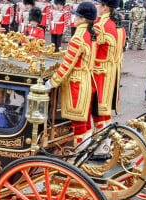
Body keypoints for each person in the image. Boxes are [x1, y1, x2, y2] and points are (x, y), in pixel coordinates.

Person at [45, 1, 97, 149]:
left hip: (77, 85)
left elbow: (67, 64)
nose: (74, 18)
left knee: (79, 125)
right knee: (85, 123)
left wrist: (52, 83)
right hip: (87, 82)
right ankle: (84, 153)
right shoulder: (89, 34)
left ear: (83, 19)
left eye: (77, 16)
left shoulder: (78, 37)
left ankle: (79, 156)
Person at [91, 0, 126, 159]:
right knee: (105, 113)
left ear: (105, 7)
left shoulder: (100, 25)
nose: (97, 7)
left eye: (99, 5)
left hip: (99, 74)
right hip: (113, 73)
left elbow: (91, 51)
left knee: (97, 112)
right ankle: (105, 146)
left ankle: (99, 147)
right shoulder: (119, 25)